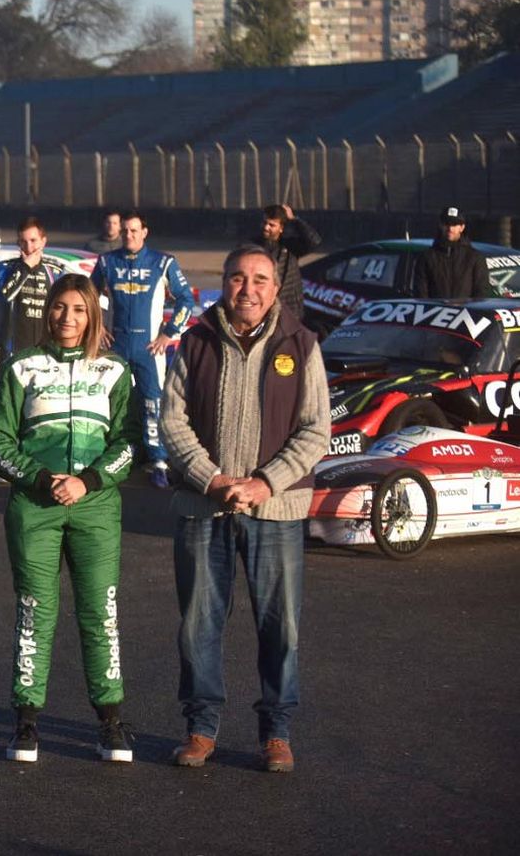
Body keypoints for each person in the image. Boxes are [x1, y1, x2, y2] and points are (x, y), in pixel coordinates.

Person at [160, 246, 330, 774]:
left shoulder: (301, 344)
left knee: (281, 627)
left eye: (260, 279)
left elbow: (315, 429)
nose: (248, 289)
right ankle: (201, 727)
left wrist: (263, 483)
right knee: (198, 624)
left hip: (274, 511)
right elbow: (171, 422)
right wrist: (210, 479)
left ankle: (276, 733)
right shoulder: (195, 340)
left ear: (275, 289)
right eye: (238, 278)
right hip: (203, 506)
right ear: (224, 283)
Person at [0, 274, 140, 764]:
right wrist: (40, 477)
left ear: (93, 314)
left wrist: (87, 481)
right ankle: (25, 724)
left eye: (77, 309)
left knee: (101, 615)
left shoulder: (115, 370)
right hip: (36, 506)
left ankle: (111, 724)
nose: (66, 318)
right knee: (36, 612)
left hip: (95, 506)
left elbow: (129, 444)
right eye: (58, 308)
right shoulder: (21, 367)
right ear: (47, 311)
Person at [90, 211, 193, 489]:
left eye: (134, 231)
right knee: (109, 400)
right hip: (115, 345)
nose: (129, 235)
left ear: (144, 232)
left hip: (150, 348)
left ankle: (158, 461)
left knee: (153, 402)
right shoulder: (107, 261)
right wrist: (98, 327)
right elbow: (87, 295)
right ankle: (110, 455)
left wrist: (169, 333)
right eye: (125, 231)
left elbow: (185, 299)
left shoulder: (163, 261)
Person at [0, 216, 64, 358]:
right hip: (13, 352)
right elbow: (6, 296)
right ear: (18, 243)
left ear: (43, 241)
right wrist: (25, 267)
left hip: (46, 352)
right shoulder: (6, 268)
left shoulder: (55, 271)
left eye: (33, 241)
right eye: (23, 242)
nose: (29, 247)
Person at [254, 204, 320, 320]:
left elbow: (314, 241)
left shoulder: (290, 247)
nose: (266, 227)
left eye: (271, 225)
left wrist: (294, 220)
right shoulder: (253, 247)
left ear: (281, 228)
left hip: (290, 310)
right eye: (264, 223)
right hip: (263, 309)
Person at [414, 207, 492, 300]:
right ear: (441, 225)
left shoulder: (475, 257)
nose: (450, 228)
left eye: (454, 224)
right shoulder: (427, 257)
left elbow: (481, 292)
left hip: (466, 313)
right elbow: (421, 292)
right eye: (446, 224)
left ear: (462, 227)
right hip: (434, 312)